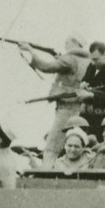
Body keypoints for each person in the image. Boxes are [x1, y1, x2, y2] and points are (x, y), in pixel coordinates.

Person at [18, 36, 90, 166]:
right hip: (78, 108)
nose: (65, 44)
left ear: (75, 43)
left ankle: (45, 173)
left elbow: (45, 67)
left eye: (67, 42)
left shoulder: (70, 59)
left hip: (65, 109)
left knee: (52, 146)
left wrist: (30, 50)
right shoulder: (86, 60)